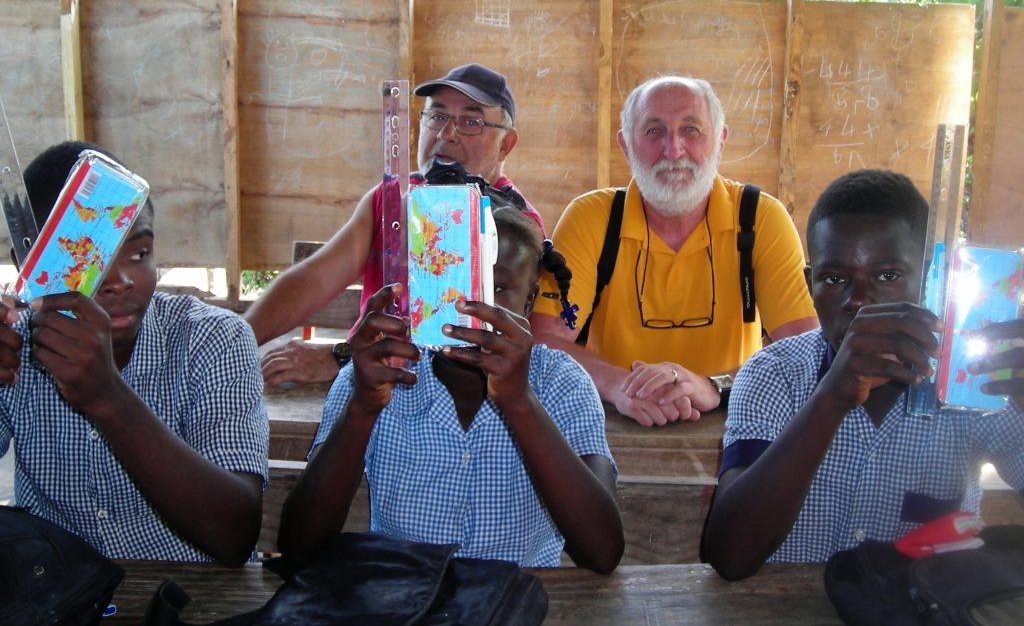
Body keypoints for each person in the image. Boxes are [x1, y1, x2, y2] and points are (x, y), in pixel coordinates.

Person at [701, 169, 1024, 580]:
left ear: (930, 279)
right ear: (809, 283)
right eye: (834, 279)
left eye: (887, 276)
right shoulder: (773, 374)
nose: (858, 302)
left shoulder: (973, 381)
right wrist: (832, 397)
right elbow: (729, 555)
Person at [277, 207, 624, 574]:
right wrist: (362, 410)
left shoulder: (561, 384)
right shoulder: (378, 376)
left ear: (529, 299)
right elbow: (300, 546)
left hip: (519, 604)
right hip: (404, 602)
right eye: (455, 285)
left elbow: (601, 552)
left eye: (498, 288)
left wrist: (520, 404)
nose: (471, 309)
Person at [0, 141, 268, 565]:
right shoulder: (13, 347)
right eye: (86, 258)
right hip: (58, 597)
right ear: (28, 266)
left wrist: (107, 397)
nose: (121, 280)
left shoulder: (214, 339)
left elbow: (235, 535)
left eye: (140, 254)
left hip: (199, 596)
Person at [530, 76, 818, 427]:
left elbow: (806, 352)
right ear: (626, 145)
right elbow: (544, 343)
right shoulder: (592, 218)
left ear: (721, 140)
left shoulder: (760, 219)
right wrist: (620, 385)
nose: (674, 149)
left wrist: (715, 386)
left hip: (735, 421)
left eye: (691, 130)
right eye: (654, 131)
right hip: (609, 423)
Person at [249, 63, 543, 387]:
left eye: (471, 122)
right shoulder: (388, 200)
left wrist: (341, 358)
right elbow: (315, 278)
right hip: (367, 388)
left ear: (506, 144)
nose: (447, 134)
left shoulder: (514, 228)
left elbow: (463, 344)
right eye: (437, 116)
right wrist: (233, 339)